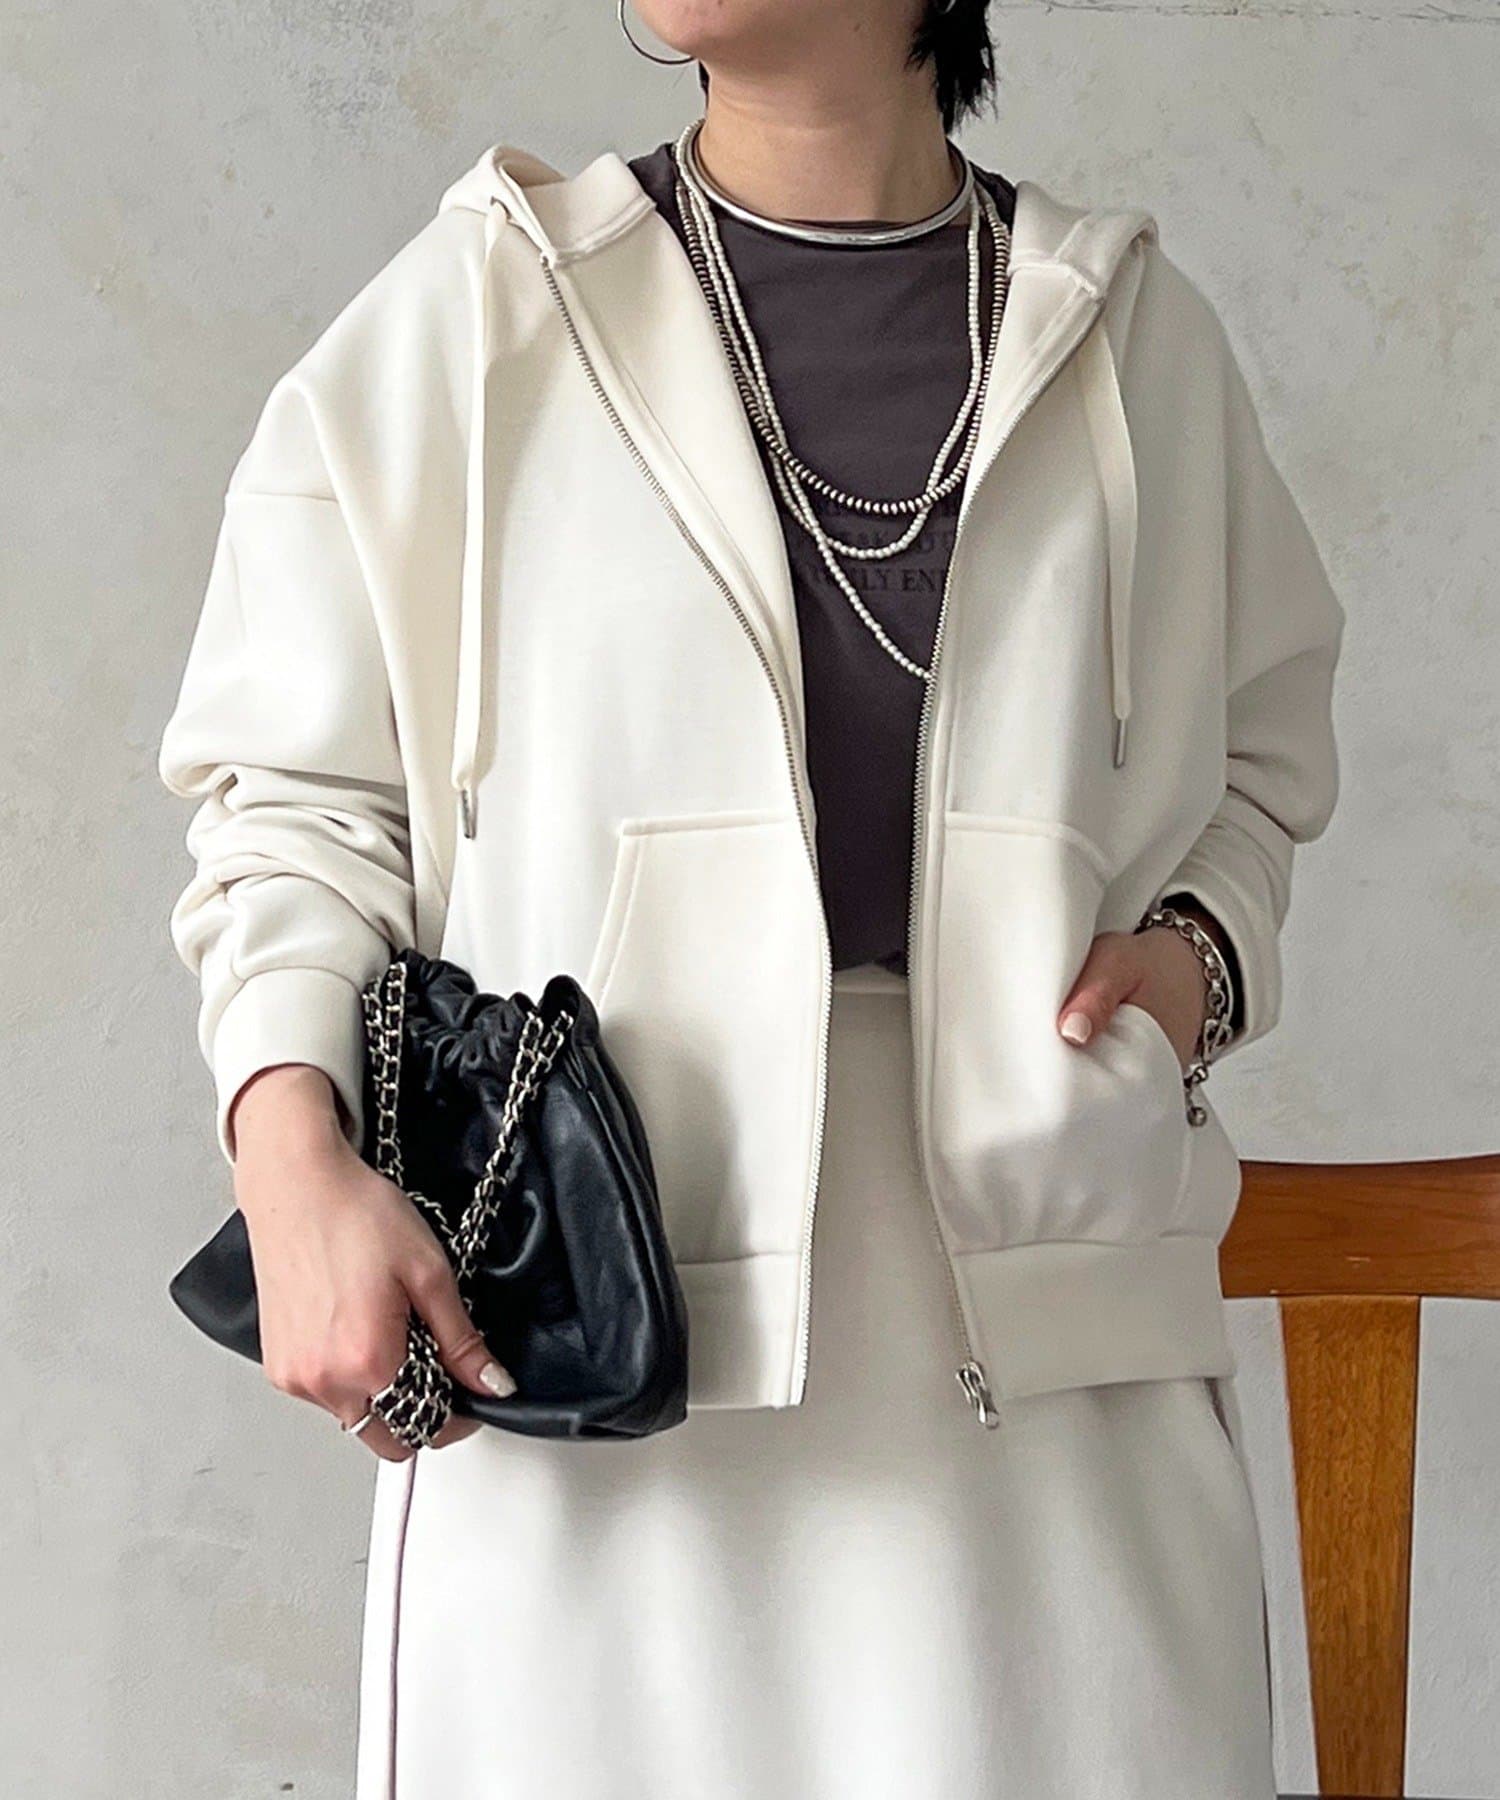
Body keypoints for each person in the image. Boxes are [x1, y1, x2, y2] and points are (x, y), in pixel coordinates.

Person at [157, 1, 1345, 1793]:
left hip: (1057, 1383)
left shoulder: (1131, 337)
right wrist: (285, 1147)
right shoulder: (483, 314)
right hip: (595, 1372)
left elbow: (1263, 750)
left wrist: (1199, 962)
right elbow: (289, 794)